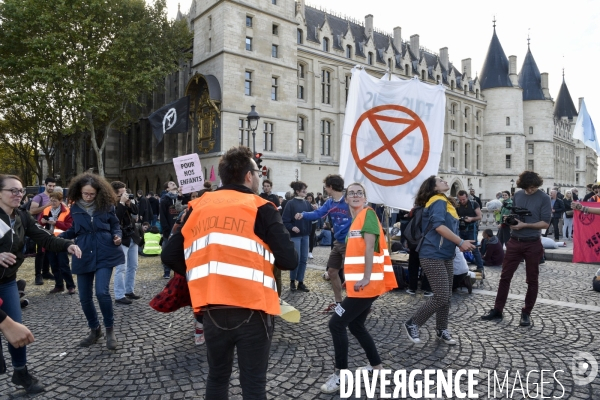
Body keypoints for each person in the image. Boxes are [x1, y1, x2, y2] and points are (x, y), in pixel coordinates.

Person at [162, 146, 298, 399]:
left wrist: (202, 274)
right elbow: (289, 260)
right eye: (258, 172)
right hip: (254, 308)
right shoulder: (262, 207)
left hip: (212, 308)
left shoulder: (198, 206)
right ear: (248, 176)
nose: (259, 176)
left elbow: (169, 255)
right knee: (254, 383)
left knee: (217, 377)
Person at [0, 174, 82, 393]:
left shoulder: (21, 217)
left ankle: (21, 372)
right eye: (13, 190)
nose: (18, 194)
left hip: (7, 282)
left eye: (21, 191)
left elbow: (44, 237)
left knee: (17, 330)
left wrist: (68, 245)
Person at [320, 182, 397, 394]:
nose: (355, 195)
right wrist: (351, 278)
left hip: (368, 285)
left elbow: (371, 248)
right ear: (345, 199)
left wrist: (364, 277)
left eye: (359, 193)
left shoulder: (368, 215)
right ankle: (377, 367)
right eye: (351, 193)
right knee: (355, 326)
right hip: (361, 285)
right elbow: (357, 253)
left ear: (365, 197)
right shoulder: (356, 220)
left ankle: (341, 374)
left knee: (336, 324)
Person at [403, 176, 475, 345]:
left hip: (445, 253)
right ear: (433, 187)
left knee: (446, 296)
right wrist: (461, 242)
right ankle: (413, 323)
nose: (444, 181)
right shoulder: (437, 200)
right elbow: (439, 226)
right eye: (440, 180)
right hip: (432, 253)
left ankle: (442, 329)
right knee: (442, 295)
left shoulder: (445, 201)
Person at [61, 172, 124, 350]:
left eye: (92, 194)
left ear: (99, 192)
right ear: (79, 192)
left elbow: (115, 225)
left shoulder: (107, 205)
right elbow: (75, 229)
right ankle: (95, 330)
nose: (88, 197)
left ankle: (110, 330)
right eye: (85, 194)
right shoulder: (74, 208)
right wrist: (57, 238)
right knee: (84, 297)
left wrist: (117, 236)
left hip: (105, 252)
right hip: (83, 253)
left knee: (102, 292)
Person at [481, 171, 551, 327]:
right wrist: (508, 220)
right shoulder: (518, 195)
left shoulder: (544, 198)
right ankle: (497, 310)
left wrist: (525, 225)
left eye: (533, 187)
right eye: (528, 187)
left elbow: (545, 223)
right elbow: (514, 214)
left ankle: (526, 313)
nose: (530, 190)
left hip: (532, 243)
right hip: (514, 241)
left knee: (532, 280)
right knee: (505, 277)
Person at [295, 174, 351, 311]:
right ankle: (339, 304)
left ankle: (355, 306)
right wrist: (303, 214)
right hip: (338, 242)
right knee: (332, 272)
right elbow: (318, 213)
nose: (325, 189)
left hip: (350, 242)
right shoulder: (330, 202)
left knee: (350, 275)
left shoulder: (348, 200)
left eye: (326, 186)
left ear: (331, 187)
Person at [39, 191, 76, 294]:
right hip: (49, 241)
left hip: (61, 241)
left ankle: (70, 286)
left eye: (55, 201)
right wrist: (41, 221)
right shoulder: (46, 209)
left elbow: (70, 226)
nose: (52, 202)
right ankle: (59, 285)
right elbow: (38, 223)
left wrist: (56, 223)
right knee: (54, 265)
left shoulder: (67, 211)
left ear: (60, 201)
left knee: (63, 264)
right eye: (51, 200)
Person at [110, 181, 140, 304]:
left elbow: (136, 212)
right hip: (122, 238)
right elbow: (116, 219)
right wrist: (122, 203)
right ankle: (119, 295)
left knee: (133, 266)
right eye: (122, 193)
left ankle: (129, 290)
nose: (125, 195)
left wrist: (128, 203)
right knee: (121, 268)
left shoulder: (126, 202)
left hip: (132, 236)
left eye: (125, 192)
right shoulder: (111, 205)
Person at [282, 181, 313, 292]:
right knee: (297, 258)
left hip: (305, 235)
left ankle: (300, 282)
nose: (305, 191)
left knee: (304, 259)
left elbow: (311, 217)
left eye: (305, 189)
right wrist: (292, 227)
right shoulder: (290, 204)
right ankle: (292, 281)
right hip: (295, 236)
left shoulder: (307, 204)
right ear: (297, 191)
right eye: (303, 189)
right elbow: (285, 221)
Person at [29, 177, 57, 285]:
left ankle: (46, 272)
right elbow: (32, 211)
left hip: (50, 227)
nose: (51, 188)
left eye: (53, 186)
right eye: (50, 185)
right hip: (39, 228)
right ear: (45, 185)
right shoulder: (39, 197)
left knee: (49, 250)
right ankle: (38, 275)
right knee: (40, 252)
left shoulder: (55, 197)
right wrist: (47, 205)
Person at [456, 190, 484, 276]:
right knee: (459, 249)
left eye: (463, 199)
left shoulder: (474, 204)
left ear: (467, 197)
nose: (462, 201)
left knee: (474, 249)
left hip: (471, 229)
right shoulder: (457, 205)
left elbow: (479, 216)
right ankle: (462, 268)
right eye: (460, 200)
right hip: (460, 229)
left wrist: (471, 219)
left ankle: (480, 268)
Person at [160, 181, 183, 279]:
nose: (173, 183)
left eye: (174, 183)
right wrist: (166, 229)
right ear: (167, 189)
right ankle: (167, 271)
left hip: (180, 228)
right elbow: (163, 215)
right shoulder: (164, 199)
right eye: (170, 184)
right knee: (167, 249)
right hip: (169, 228)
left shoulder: (181, 196)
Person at [305, 192, 318, 259]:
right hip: (306, 222)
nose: (309, 200)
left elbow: (318, 214)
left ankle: (310, 252)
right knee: (306, 236)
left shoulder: (314, 204)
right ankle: (306, 251)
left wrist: (316, 209)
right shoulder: (304, 204)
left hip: (313, 222)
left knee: (312, 237)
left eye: (310, 198)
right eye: (308, 199)